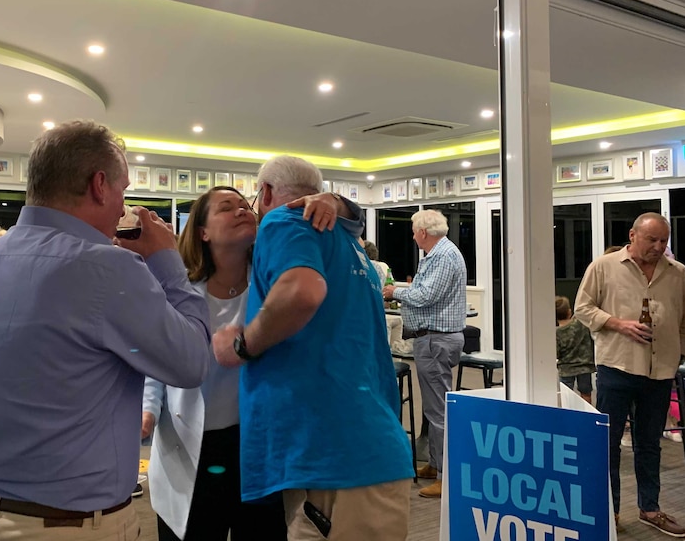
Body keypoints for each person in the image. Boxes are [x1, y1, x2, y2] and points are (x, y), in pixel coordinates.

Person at [0, 120, 212, 541]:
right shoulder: (111, 268)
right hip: (71, 525)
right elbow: (193, 362)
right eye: (122, 192)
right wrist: (167, 263)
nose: (122, 206)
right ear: (100, 185)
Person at [213, 155, 414, 540]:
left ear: (267, 192)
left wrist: (241, 345)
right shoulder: (348, 242)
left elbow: (303, 292)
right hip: (369, 450)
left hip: (332, 457)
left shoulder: (283, 220)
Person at [142, 185, 359, 541]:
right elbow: (158, 362)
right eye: (227, 208)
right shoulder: (178, 292)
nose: (243, 210)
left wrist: (332, 201)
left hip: (257, 444)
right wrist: (148, 410)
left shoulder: (273, 291)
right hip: (191, 448)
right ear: (203, 232)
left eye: (246, 205)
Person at [575, 212, 685, 536]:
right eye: (652, 239)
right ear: (633, 235)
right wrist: (618, 323)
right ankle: (608, 512)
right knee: (608, 444)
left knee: (649, 443)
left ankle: (650, 509)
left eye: (664, 240)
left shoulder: (679, 273)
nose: (658, 246)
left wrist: (679, 350)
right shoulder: (604, 267)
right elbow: (583, 307)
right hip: (618, 367)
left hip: (661, 368)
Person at [382, 209, 466, 499]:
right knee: (433, 409)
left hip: (435, 340)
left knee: (439, 411)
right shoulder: (437, 254)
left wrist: (394, 292)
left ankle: (446, 474)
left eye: (414, 230)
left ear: (423, 232)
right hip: (432, 339)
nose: (412, 235)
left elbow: (426, 295)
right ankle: (435, 463)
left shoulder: (443, 256)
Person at [555, 296, 595, 404]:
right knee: (586, 393)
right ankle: (587, 415)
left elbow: (556, 353)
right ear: (569, 312)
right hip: (584, 367)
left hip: (566, 369)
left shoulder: (556, 333)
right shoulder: (581, 324)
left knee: (566, 395)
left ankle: (568, 417)